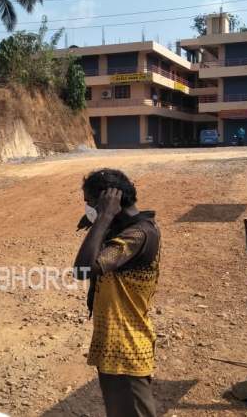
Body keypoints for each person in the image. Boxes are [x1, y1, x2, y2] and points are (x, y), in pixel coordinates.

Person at [73, 169, 161, 417]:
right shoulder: (127, 226)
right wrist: (102, 221)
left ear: (107, 201)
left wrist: (101, 220)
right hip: (115, 340)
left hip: (125, 345)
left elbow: (82, 270)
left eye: (90, 202)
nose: (87, 207)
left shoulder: (138, 234)